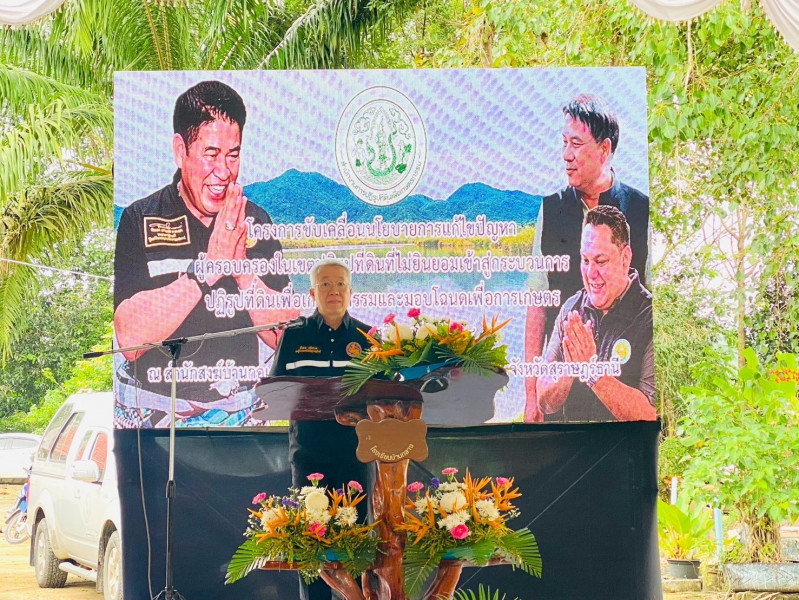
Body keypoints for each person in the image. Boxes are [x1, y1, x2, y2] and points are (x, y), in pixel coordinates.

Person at [113, 80, 296, 425]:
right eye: (211, 154)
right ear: (180, 150)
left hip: (240, 414)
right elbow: (130, 340)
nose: (223, 172)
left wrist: (242, 272)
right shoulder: (140, 217)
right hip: (156, 419)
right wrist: (207, 270)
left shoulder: (255, 220)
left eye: (233, 155)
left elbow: (287, 339)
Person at [524, 94, 650, 421]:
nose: (566, 154)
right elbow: (537, 303)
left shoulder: (641, 209)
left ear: (605, 149)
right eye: (564, 143)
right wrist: (531, 395)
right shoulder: (551, 209)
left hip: (624, 389)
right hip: (560, 388)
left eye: (576, 144)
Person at [269, 258, 370, 600]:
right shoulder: (294, 335)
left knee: (354, 543)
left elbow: (383, 391)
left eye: (340, 284)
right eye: (325, 284)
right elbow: (277, 388)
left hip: (355, 453)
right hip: (309, 453)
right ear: (313, 292)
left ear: (350, 291)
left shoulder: (368, 337)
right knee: (311, 547)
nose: (334, 291)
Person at [536, 206, 655, 422]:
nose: (591, 273)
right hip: (575, 442)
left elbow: (649, 414)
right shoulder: (571, 309)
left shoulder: (650, 316)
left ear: (625, 258)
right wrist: (570, 368)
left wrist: (592, 370)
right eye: (585, 260)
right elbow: (544, 402)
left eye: (600, 261)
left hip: (626, 444)